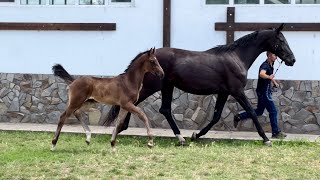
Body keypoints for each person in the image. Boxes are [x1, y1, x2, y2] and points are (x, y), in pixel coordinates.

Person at [233, 51, 287, 139]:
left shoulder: (270, 64)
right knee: (273, 111)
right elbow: (262, 74)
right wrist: (270, 77)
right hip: (264, 92)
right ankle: (275, 132)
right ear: (269, 55)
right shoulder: (265, 65)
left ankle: (239, 116)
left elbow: (269, 75)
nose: (276, 57)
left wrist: (274, 82)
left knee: (259, 111)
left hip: (263, 91)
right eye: (274, 55)